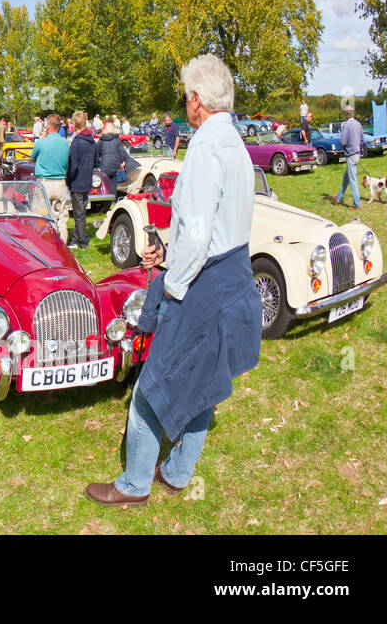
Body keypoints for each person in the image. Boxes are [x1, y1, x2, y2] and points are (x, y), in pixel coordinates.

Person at [86, 54, 261, 506]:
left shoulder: (205, 145)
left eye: (186, 96)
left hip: (203, 282)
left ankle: (134, 483)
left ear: (196, 100)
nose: (185, 104)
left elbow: (201, 233)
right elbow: (216, 223)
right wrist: (169, 249)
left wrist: (171, 285)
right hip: (233, 271)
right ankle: (179, 472)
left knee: (152, 383)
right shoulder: (236, 142)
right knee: (205, 379)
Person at [31, 113, 71, 241]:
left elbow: (33, 158)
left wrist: (43, 137)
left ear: (48, 126)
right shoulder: (65, 143)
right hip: (60, 183)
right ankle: (63, 243)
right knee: (61, 216)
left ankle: (44, 242)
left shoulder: (41, 143)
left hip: (44, 183)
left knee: (41, 215)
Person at [65, 111, 95, 249]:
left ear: (75, 124)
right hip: (86, 179)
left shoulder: (77, 142)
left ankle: (83, 241)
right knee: (81, 212)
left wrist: (68, 180)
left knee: (79, 214)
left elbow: (73, 166)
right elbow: (95, 161)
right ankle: (76, 239)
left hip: (78, 181)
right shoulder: (92, 140)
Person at [334, 106, 364, 209]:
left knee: (352, 180)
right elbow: (362, 140)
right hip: (357, 154)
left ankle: (357, 204)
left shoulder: (347, 126)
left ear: (346, 115)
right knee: (346, 178)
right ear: (353, 114)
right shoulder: (358, 124)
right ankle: (338, 198)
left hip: (351, 155)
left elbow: (343, 142)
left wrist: (345, 146)